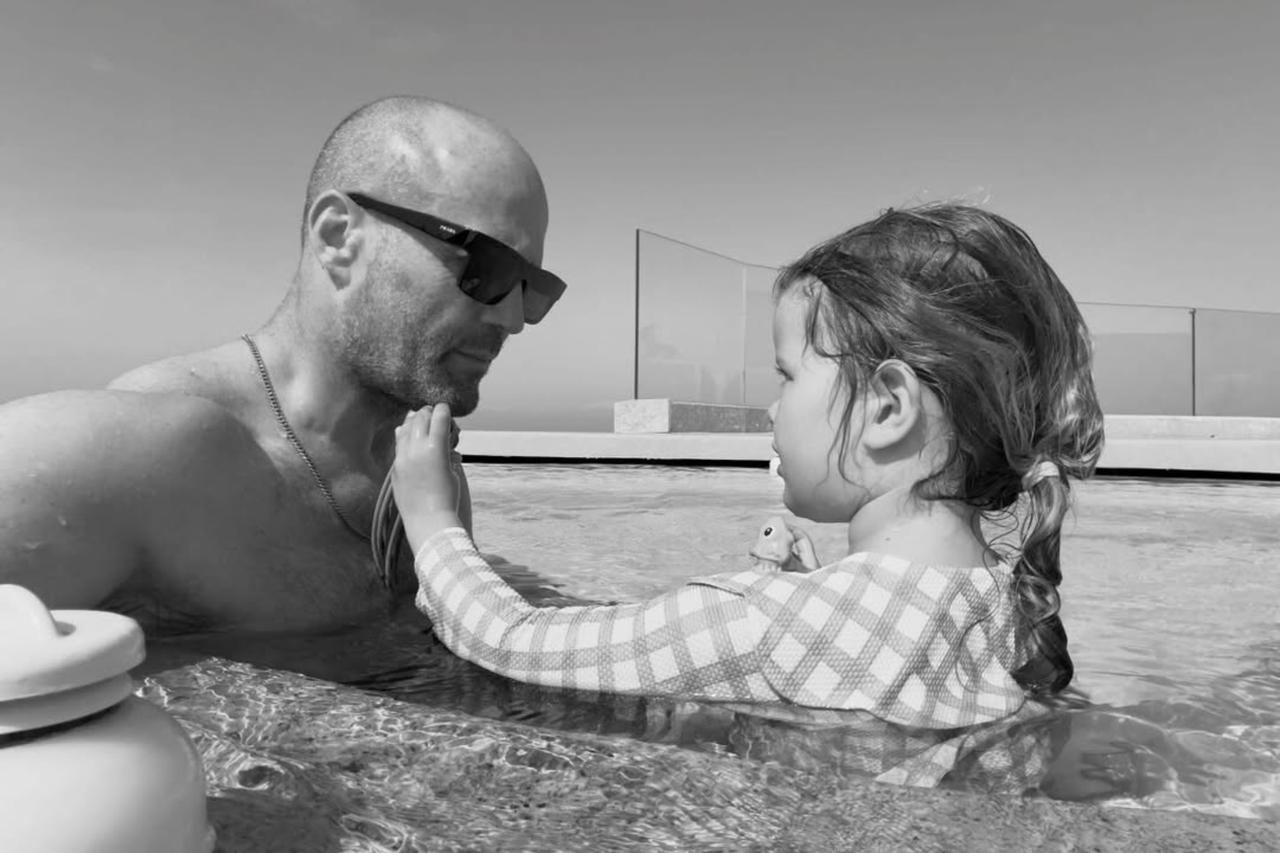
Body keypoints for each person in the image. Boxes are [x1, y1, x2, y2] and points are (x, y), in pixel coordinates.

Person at [390, 203, 1104, 784]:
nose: (772, 408)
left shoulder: (765, 624)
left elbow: (510, 641)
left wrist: (433, 523)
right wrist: (812, 584)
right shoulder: (1010, 603)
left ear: (888, 407)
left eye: (787, 374)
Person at [0, 96, 565, 636]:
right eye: (488, 268)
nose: (513, 318)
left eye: (531, 286)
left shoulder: (424, 470)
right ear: (339, 237)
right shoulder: (147, 462)